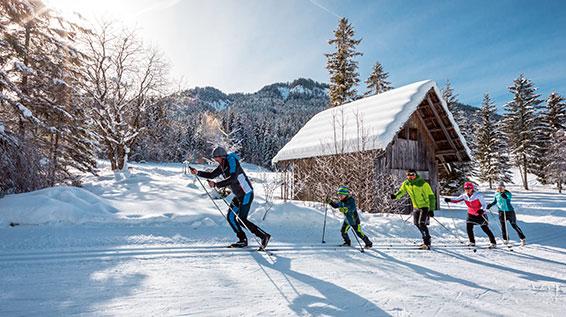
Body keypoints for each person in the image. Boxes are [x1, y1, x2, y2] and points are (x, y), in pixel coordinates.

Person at [190, 146, 271, 249]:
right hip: (238, 195)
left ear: (222, 156)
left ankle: (264, 236)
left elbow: (233, 179)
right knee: (231, 218)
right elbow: (211, 175)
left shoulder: (232, 161)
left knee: (242, 219)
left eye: (216, 158)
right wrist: (197, 172)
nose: (215, 160)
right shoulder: (222, 166)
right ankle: (242, 240)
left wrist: (216, 185)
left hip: (246, 194)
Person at [391, 169, 436, 250]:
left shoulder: (423, 184)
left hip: (424, 206)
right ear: (407, 175)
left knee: (421, 223)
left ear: (416, 175)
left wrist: (431, 209)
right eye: (409, 174)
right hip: (416, 207)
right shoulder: (406, 183)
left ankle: (427, 242)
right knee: (416, 224)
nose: (411, 176)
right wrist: (395, 196)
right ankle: (426, 237)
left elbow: (431, 196)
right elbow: (401, 191)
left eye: (413, 174)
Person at [444, 182, 497, 248]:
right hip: (471, 214)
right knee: (469, 228)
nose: (467, 190)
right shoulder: (464, 196)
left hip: (479, 214)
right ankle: (472, 242)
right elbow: (457, 200)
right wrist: (449, 200)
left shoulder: (478, 195)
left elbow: (484, 204)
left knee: (485, 229)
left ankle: (493, 242)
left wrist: (482, 210)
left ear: (472, 188)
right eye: (465, 188)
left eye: (468, 188)